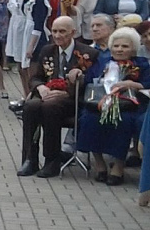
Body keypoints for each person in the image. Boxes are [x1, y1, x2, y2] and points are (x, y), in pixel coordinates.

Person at [17, 16, 95, 178]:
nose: (58, 36)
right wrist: (41, 87)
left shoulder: (87, 53)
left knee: (49, 107)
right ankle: (30, 159)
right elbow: (36, 77)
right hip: (47, 95)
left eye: (62, 32)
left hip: (72, 100)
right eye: (54, 31)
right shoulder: (48, 50)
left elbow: (90, 84)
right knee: (31, 106)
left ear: (73, 32)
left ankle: (52, 160)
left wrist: (66, 92)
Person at [76, 27, 150, 185]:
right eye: (116, 46)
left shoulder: (141, 64)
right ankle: (99, 163)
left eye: (125, 46)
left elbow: (148, 84)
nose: (120, 49)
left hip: (130, 106)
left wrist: (132, 84)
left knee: (124, 121)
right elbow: (90, 80)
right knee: (89, 119)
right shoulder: (102, 61)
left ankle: (118, 166)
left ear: (133, 48)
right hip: (100, 103)